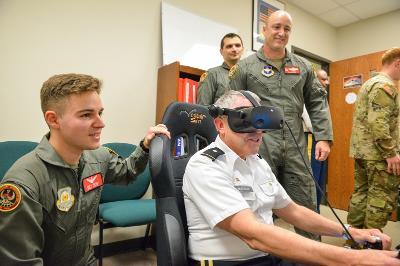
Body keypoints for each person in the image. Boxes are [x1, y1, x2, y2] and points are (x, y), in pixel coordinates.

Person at [183, 90, 400, 266]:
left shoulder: (256, 161)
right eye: (245, 120)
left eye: (261, 121)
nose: (258, 132)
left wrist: (350, 233)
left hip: (267, 255)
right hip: (227, 262)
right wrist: (353, 259)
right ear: (221, 125)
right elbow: (253, 235)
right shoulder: (205, 166)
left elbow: (293, 211)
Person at [0, 73, 170, 265]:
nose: (100, 123)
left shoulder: (99, 157)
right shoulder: (24, 183)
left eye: (100, 113)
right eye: (86, 114)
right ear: (53, 120)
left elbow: (128, 173)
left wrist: (145, 146)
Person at [229, 10, 332, 240]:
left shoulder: (304, 67)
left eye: (286, 29)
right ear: (264, 30)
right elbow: (233, 106)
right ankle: (259, 254)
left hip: (296, 144)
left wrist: (323, 137)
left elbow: (317, 102)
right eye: (276, 27)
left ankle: (312, 254)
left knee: (305, 201)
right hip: (258, 144)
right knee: (256, 204)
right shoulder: (245, 67)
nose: (281, 32)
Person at [348, 47, 400, 232]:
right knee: (380, 199)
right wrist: (391, 153)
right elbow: (378, 122)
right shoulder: (385, 86)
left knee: (361, 195)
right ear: (398, 63)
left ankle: (354, 240)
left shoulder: (369, 83)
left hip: (363, 152)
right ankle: (372, 246)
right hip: (378, 155)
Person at [302, 69, 330, 213]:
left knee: (319, 179)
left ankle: (316, 211)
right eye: (323, 79)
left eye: (327, 79)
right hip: (311, 140)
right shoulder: (308, 95)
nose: (327, 83)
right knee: (312, 180)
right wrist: (324, 133)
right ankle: (312, 213)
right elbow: (313, 124)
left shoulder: (321, 96)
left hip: (318, 141)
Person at [197, 32, 244, 105]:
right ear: (221, 51)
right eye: (229, 46)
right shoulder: (211, 74)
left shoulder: (251, 75)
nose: (234, 49)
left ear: (243, 49)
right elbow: (203, 107)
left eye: (237, 45)